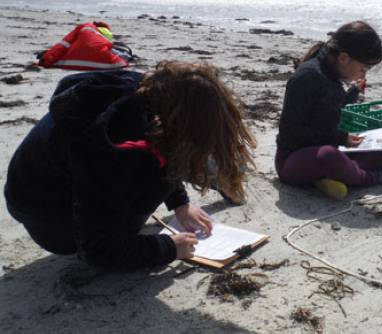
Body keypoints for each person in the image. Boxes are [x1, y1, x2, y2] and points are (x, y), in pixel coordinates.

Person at [4, 61, 256, 270]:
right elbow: (98, 251)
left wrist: (180, 203)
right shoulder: (112, 145)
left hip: (47, 183)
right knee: (132, 208)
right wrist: (168, 248)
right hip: (45, 216)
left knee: (156, 167)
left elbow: (165, 148)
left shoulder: (152, 92)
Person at [275, 21, 382, 200]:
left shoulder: (332, 75)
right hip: (293, 160)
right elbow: (291, 132)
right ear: (344, 58)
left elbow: (325, 109)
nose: (364, 74)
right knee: (328, 156)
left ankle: (332, 176)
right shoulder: (306, 77)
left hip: (329, 148)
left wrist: (352, 93)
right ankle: (369, 178)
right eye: (364, 68)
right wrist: (340, 138)